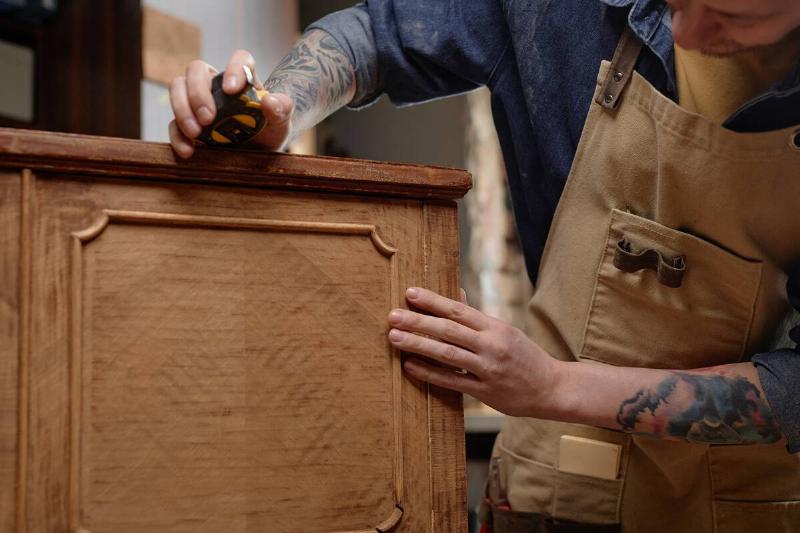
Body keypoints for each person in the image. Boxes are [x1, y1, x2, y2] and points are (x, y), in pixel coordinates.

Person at [169, 1, 800, 531]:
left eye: (732, 15)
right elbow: (375, 37)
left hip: (739, 508)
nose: (690, 32)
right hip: (547, 494)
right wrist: (279, 106)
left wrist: (552, 386)